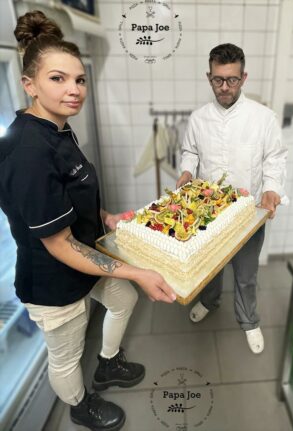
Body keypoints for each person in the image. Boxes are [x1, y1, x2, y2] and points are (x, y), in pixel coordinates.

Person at [0, 10, 176, 431]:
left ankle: (109, 363)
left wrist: (106, 217)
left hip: (87, 255)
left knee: (123, 298)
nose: (75, 90)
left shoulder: (58, 129)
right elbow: (58, 243)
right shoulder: (28, 152)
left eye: (79, 80)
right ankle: (80, 405)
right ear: (29, 84)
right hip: (53, 280)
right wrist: (138, 270)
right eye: (58, 79)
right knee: (66, 355)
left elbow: (71, 198)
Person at [176, 43, 287, 355]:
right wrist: (187, 171)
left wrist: (271, 188)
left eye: (232, 80)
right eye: (217, 80)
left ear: (244, 77)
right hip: (209, 212)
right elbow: (190, 151)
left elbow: (274, 159)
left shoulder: (263, 118)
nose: (224, 87)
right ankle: (210, 301)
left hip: (248, 213)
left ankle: (249, 320)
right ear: (209, 76)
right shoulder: (198, 118)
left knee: (246, 274)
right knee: (209, 268)